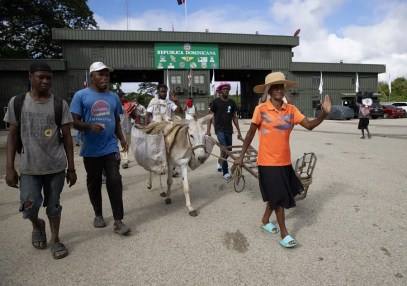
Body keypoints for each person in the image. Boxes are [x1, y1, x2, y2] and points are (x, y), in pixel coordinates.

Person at [233, 71, 331, 248]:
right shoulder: (261, 110)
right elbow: (250, 133)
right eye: (275, 87)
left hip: (285, 161)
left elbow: (309, 125)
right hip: (267, 162)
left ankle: (264, 220)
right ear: (269, 91)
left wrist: (323, 114)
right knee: (279, 196)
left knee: (277, 194)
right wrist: (241, 157)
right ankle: (284, 233)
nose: (279, 90)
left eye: (281, 86)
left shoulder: (291, 110)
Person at [4, 62, 77, 259]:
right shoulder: (17, 102)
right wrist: (9, 167)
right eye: (40, 77)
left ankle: (55, 239)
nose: (45, 81)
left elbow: (68, 137)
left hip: (55, 167)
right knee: (29, 206)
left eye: (48, 78)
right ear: (30, 77)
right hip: (29, 168)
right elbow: (12, 135)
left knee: (53, 205)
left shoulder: (59, 104)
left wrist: (72, 167)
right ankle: (38, 224)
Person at [70, 61, 131, 235]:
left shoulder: (113, 97)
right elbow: (74, 121)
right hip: (91, 149)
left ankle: (118, 221)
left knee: (114, 180)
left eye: (107, 75)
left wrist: (122, 139)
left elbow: (117, 120)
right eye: (101, 74)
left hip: (110, 147)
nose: (105, 77)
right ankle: (98, 214)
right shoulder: (81, 95)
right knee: (94, 182)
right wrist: (89, 126)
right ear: (92, 77)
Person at [207, 82, 242, 180]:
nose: (226, 90)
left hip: (229, 130)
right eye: (224, 89)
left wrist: (239, 131)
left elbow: (234, 118)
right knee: (225, 149)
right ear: (220, 91)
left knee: (228, 151)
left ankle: (220, 161)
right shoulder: (215, 102)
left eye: (227, 89)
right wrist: (208, 130)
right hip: (219, 129)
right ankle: (225, 172)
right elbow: (210, 117)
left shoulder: (232, 103)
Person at [145, 84, 183, 176]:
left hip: (168, 126)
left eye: (165, 91)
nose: (163, 93)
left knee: (175, 143)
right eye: (161, 91)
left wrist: (176, 101)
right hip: (156, 126)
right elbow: (148, 115)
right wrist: (147, 128)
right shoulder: (153, 101)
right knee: (156, 147)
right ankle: (158, 166)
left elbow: (180, 111)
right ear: (158, 92)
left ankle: (172, 168)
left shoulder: (170, 102)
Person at [119, 93, 132, 169]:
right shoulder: (117, 106)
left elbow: (133, 115)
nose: (124, 98)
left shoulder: (128, 105)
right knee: (123, 144)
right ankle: (124, 161)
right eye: (123, 97)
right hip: (121, 128)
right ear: (120, 98)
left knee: (128, 144)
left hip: (129, 127)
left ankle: (126, 157)